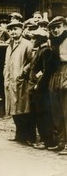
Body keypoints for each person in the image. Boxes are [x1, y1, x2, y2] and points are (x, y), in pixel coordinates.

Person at [3, 21, 35, 145]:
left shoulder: (27, 44)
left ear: (21, 30)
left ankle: (30, 137)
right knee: (14, 110)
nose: (13, 32)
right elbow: (7, 63)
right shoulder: (9, 46)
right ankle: (19, 135)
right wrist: (5, 77)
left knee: (25, 110)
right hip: (10, 82)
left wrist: (23, 72)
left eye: (15, 29)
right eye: (11, 30)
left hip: (22, 82)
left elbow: (31, 62)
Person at [28, 28, 55, 150]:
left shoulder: (46, 51)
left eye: (35, 38)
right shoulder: (40, 50)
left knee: (43, 114)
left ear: (40, 39)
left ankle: (47, 141)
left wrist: (38, 85)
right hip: (35, 87)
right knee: (38, 114)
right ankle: (45, 140)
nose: (32, 40)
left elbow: (46, 71)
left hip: (41, 89)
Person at [47, 16, 67, 155]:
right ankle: (61, 143)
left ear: (65, 27)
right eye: (53, 28)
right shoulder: (52, 42)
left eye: (58, 27)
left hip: (66, 73)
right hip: (55, 75)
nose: (55, 30)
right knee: (57, 112)